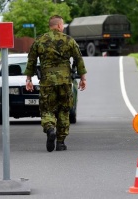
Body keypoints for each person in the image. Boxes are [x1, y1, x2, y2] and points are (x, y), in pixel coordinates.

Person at [24, 15, 87, 152]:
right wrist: (83, 78)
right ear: (59, 25)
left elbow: (31, 61)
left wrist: (28, 79)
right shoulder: (69, 40)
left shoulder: (39, 41)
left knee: (47, 109)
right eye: (62, 25)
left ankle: (50, 128)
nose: (63, 27)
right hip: (65, 81)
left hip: (47, 81)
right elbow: (78, 59)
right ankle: (60, 142)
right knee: (64, 110)